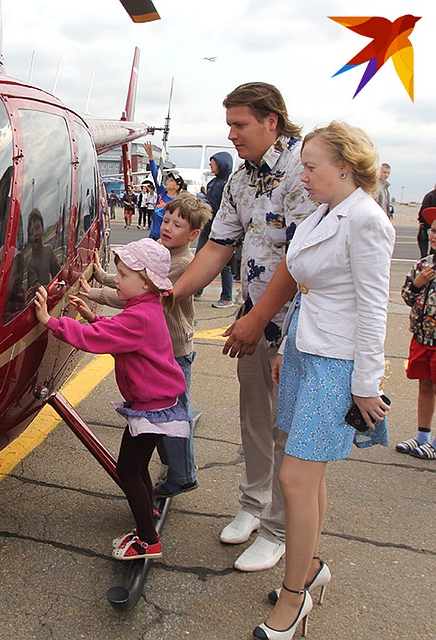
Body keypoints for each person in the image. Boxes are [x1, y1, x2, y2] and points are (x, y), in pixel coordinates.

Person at [226, 121, 393, 639]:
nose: (303, 173)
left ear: (345, 166)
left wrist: (366, 383)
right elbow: (307, 286)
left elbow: (372, 308)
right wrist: (289, 348)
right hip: (305, 353)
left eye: (311, 165)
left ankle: (295, 598)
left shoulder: (365, 220)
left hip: (338, 366)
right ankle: (312, 565)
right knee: (309, 480)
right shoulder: (324, 213)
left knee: (295, 481)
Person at [173, 82, 317, 573]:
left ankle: (277, 530)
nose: (231, 134)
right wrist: (171, 294)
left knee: (286, 430)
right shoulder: (240, 181)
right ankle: (253, 506)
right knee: (255, 420)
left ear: (271, 121)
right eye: (229, 124)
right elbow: (217, 246)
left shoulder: (303, 171)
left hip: (298, 325)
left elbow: (300, 259)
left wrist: (257, 319)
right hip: (254, 318)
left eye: (239, 124)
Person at [34, 238, 188, 561]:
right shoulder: (144, 308)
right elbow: (120, 333)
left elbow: (96, 341)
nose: (116, 279)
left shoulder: (140, 315)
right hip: (157, 404)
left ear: (145, 281)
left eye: (122, 274)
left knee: (128, 470)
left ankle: (148, 540)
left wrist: (50, 322)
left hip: (150, 408)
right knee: (137, 466)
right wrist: (94, 317)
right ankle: (149, 513)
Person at [82, 195, 212, 498]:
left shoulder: (181, 264)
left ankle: (183, 475)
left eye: (177, 225)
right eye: (166, 220)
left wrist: (97, 293)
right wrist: (102, 275)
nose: (167, 228)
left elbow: (138, 294)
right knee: (165, 418)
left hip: (174, 351)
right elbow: (132, 276)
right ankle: (174, 465)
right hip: (156, 347)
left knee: (174, 419)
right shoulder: (162, 253)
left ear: (193, 235)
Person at [397, 207, 436, 460]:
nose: (434, 235)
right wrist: (417, 283)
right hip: (422, 338)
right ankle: (422, 436)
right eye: (433, 230)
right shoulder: (423, 265)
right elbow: (407, 296)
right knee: (425, 385)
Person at [194, 151, 237, 307]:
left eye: (213, 163)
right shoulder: (213, 183)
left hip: (222, 229)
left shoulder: (229, 183)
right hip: (207, 226)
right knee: (199, 258)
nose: (211, 166)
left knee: (224, 264)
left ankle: (227, 296)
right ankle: (197, 288)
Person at [144, 142, 183, 240]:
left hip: (165, 237)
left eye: (171, 181)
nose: (168, 181)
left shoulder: (178, 202)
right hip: (153, 234)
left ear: (177, 186)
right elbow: (155, 174)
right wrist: (151, 157)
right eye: (168, 179)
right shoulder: (162, 192)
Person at [417, 184, 436, 258]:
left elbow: (423, 210)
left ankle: (425, 257)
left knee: (424, 244)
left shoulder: (429, 196)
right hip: (428, 223)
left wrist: (421, 221)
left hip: (427, 223)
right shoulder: (430, 196)